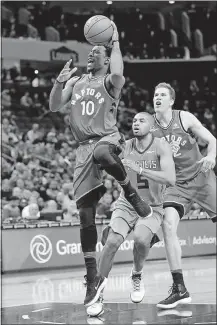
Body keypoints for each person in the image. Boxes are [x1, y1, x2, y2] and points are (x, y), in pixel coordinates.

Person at [49, 22, 152, 305]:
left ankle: (130, 191)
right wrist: (59, 83)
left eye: (98, 51)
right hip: (82, 151)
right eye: (91, 51)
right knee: (85, 216)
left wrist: (115, 40)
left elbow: (119, 71)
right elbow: (54, 106)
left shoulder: (110, 82)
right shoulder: (76, 82)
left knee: (103, 154)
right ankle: (92, 278)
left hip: (106, 138)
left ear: (106, 60)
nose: (91, 54)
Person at [85, 112, 176, 316]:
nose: (136, 123)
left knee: (142, 241)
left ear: (152, 126)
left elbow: (171, 179)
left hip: (153, 206)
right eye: (134, 121)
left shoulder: (161, 146)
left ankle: (136, 275)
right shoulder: (124, 146)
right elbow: (102, 160)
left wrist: (140, 169)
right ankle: (97, 294)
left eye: (141, 120)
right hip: (126, 204)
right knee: (112, 242)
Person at [151, 82, 216, 309]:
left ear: (171, 101)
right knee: (168, 226)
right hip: (176, 185)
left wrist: (212, 157)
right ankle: (180, 289)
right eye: (155, 95)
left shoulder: (184, 118)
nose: (157, 98)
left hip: (202, 178)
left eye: (162, 95)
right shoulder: (148, 127)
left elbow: (212, 140)